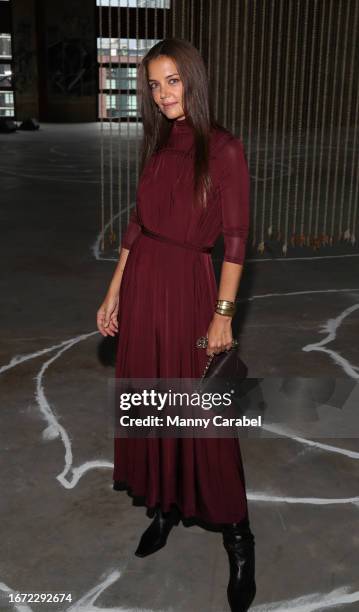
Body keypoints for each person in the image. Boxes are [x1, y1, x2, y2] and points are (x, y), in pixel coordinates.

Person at [97, 38, 256, 612]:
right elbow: (138, 224)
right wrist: (115, 290)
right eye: (154, 84)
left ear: (193, 80)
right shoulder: (159, 142)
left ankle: (239, 537)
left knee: (204, 419)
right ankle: (164, 508)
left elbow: (236, 241)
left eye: (173, 81)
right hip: (143, 289)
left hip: (191, 291)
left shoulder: (225, 149)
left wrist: (223, 315)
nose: (163, 94)